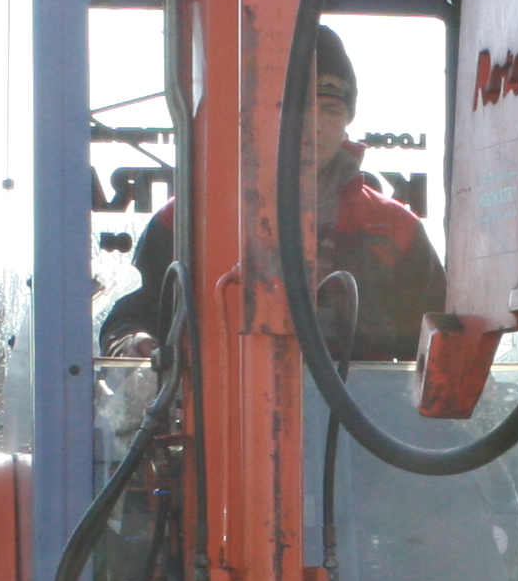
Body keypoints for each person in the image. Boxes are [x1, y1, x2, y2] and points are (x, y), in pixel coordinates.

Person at [98, 24, 444, 364]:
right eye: (300, 108)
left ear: (346, 122)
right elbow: (133, 316)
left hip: (358, 413)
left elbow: (435, 336)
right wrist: (135, 343)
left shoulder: (395, 227)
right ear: (269, 116)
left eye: (331, 110)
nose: (315, 123)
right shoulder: (189, 218)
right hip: (227, 413)